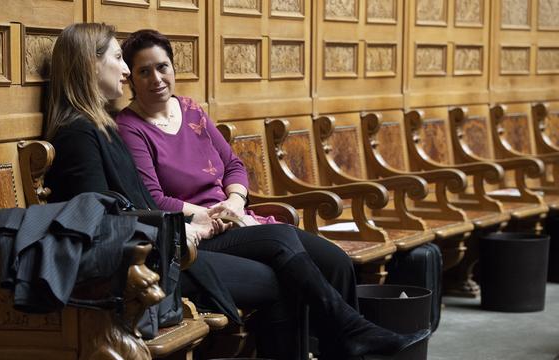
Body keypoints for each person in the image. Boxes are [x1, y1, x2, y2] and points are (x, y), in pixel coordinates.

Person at [44, 23, 428, 360]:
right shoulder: (85, 133)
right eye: (121, 60)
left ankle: (350, 338)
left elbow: (223, 169)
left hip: (174, 242)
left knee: (317, 260)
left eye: (159, 67)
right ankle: (351, 333)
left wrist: (229, 204)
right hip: (156, 259)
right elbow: (99, 222)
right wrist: (190, 226)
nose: (128, 72)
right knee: (279, 259)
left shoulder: (103, 127)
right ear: (89, 64)